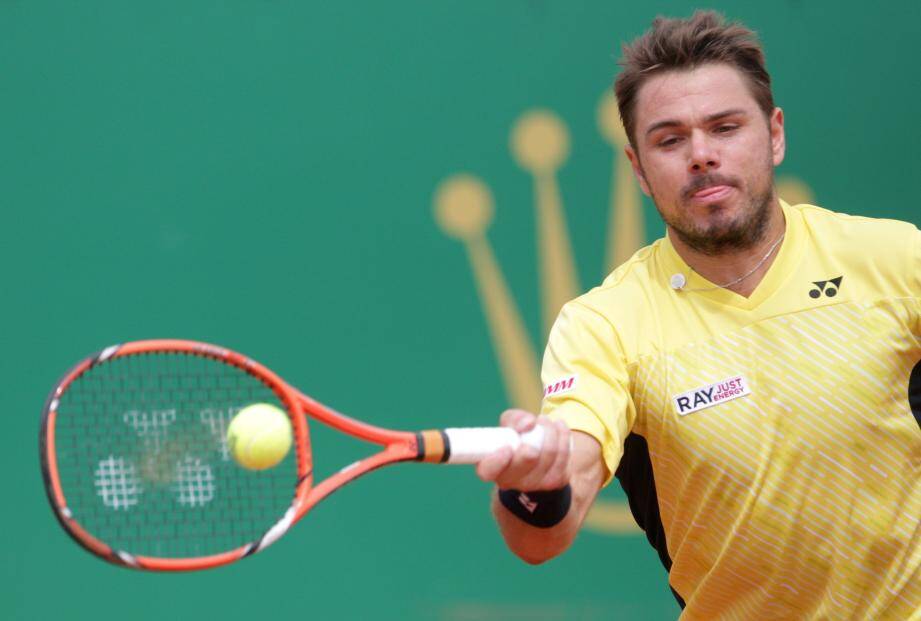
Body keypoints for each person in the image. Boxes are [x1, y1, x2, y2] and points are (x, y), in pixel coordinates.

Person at [477, 10, 920, 619]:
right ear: (638, 168)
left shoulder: (897, 261)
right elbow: (540, 536)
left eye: (725, 127)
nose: (702, 155)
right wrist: (535, 483)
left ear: (775, 134)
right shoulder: (604, 324)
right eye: (670, 139)